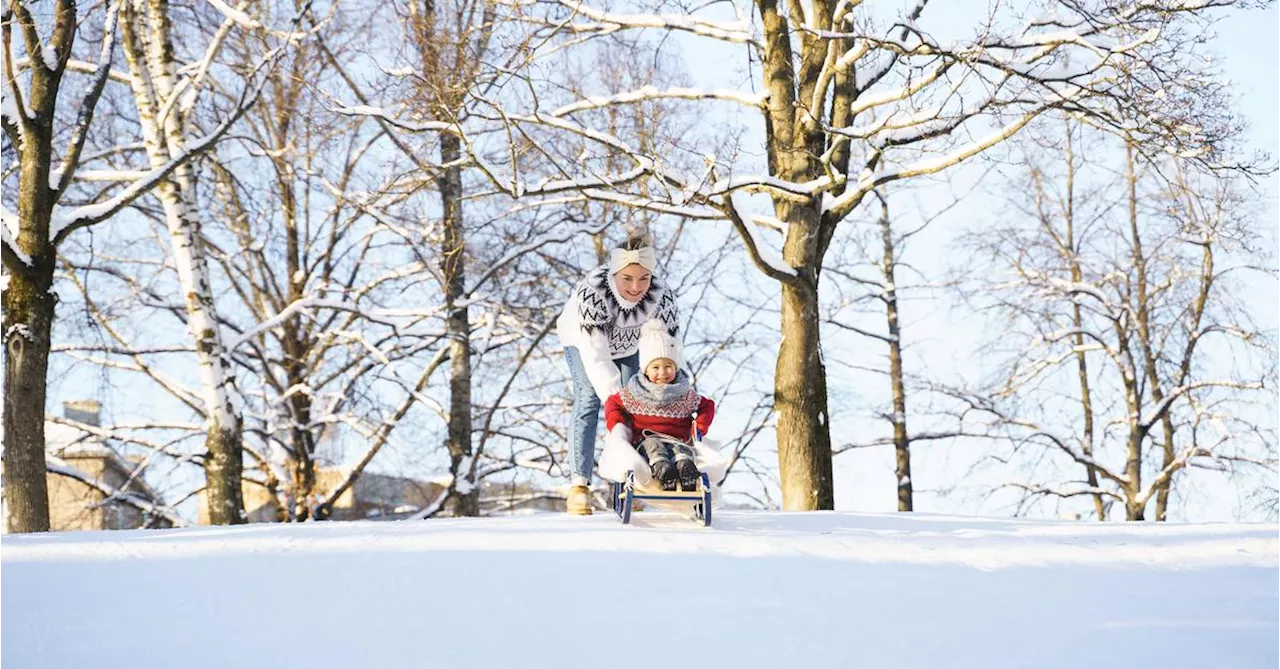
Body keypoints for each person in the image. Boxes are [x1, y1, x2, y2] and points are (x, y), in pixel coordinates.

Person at [557, 235, 679, 514]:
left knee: (641, 404)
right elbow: (596, 356)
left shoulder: (662, 296)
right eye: (627, 279)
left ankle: (630, 479)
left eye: (643, 279)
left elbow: (670, 349)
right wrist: (620, 401)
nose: (636, 287)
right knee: (590, 399)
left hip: (630, 343)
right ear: (615, 273)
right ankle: (579, 485)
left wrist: (666, 391)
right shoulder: (593, 292)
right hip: (583, 340)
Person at [604, 320, 715, 492]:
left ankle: (686, 471)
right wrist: (617, 425)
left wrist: (699, 425)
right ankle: (663, 470)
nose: (663, 373)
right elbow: (613, 403)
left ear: (676, 368)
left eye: (668, 366)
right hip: (645, 441)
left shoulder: (683, 394)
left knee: (681, 450)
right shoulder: (635, 393)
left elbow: (707, 406)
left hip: (677, 440)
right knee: (654, 445)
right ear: (645, 370)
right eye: (655, 367)